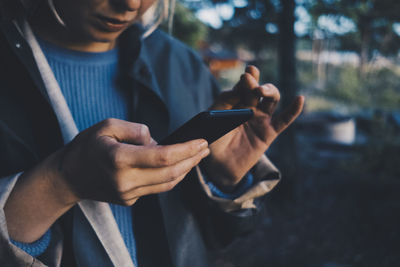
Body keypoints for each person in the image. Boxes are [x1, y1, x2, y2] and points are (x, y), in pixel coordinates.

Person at [0, 0, 304, 266]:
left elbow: (209, 239)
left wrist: (223, 180)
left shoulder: (183, 67)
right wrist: (59, 184)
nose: (131, 4)